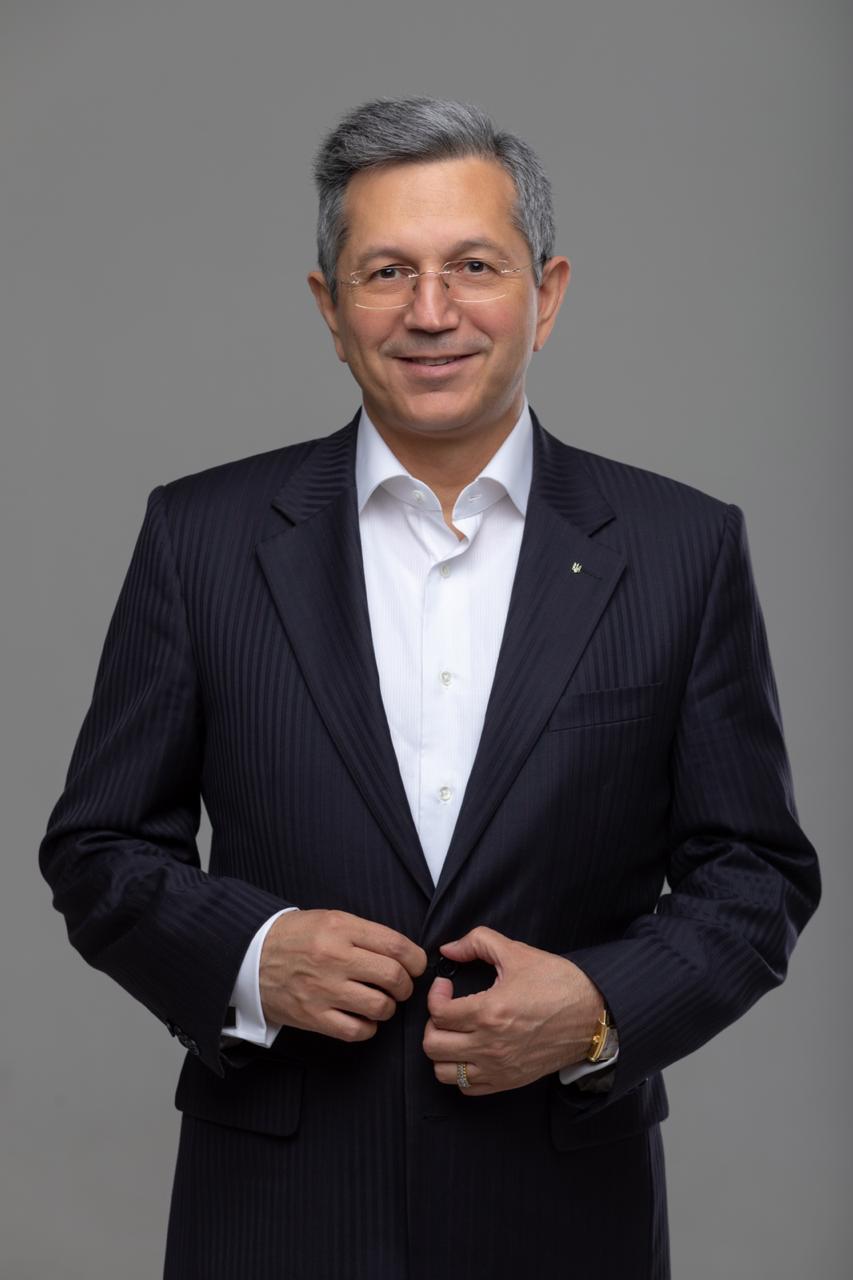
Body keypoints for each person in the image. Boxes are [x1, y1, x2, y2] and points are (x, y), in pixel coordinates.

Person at [39, 97, 820, 1280]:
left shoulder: (680, 550)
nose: (431, 310)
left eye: (474, 266)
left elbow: (754, 874)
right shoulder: (200, 539)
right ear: (329, 307)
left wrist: (598, 1004)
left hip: (563, 1215)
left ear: (546, 294)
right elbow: (97, 845)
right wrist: (251, 952)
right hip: (276, 1215)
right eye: (387, 271)